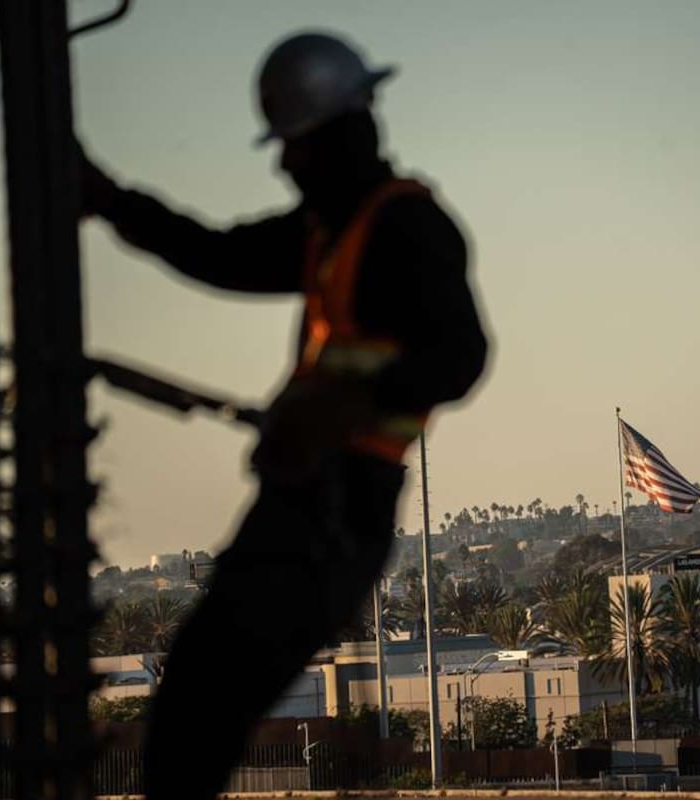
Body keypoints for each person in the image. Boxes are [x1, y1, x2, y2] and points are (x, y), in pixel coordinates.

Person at [79, 31, 487, 800]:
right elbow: (216, 253)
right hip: (302, 507)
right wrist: (108, 201)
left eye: (293, 147)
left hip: (336, 515)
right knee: (194, 706)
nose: (283, 164)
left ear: (334, 138)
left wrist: (348, 406)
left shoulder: (405, 228)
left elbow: (461, 355)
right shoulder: (328, 233)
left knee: (200, 707)